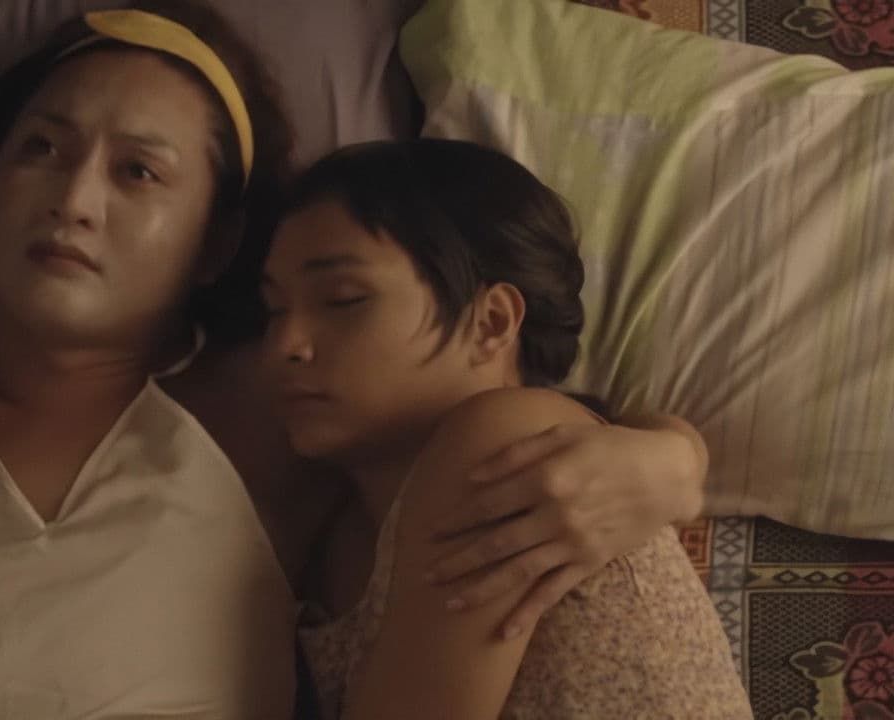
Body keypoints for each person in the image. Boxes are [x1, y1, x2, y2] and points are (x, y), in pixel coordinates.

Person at [0, 3, 712, 719]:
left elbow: (470, 418)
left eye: (138, 171)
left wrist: (672, 458)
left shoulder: (273, 406)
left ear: (216, 242)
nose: (73, 200)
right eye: (40, 150)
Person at [265, 139, 752, 719]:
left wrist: (682, 453)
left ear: (491, 323)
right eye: (273, 310)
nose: (285, 344)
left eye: (344, 299)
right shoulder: (336, 529)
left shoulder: (509, 444)